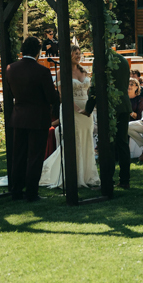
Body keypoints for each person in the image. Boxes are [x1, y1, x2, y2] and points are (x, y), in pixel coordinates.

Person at [6, 37, 58, 202]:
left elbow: (10, 92)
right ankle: (31, 193)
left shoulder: (11, 68)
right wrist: (58, 94)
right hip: (38, 118)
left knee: (18, 156)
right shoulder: (42, 71)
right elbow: (51, 97)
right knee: (35, 156)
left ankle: (16, 191)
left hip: (19, 117)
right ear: (38, 51)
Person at [40, 45, 100, 188]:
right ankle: (72, 175)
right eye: (75, 53)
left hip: (87, 112)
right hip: (71, 110)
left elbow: (90, 91)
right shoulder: (62, 72)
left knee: (86, 140)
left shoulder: (84, 71)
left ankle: (87, 175)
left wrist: (89, 109)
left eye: (79, 53)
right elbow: (64, 95)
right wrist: (78, 109)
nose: (78, 56)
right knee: (74, 141)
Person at [106, 50, 132, 190]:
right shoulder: (123, 59)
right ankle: (125, 180)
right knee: (122, 143)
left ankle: (108, 179)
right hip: (124, 104)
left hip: (111, 106)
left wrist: (89, 108)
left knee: (108, 144)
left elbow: (96, 85)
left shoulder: (102, 59)